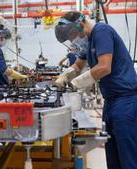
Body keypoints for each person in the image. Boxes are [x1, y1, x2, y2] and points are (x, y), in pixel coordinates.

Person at [55, 11, 137, 169]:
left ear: (81, 25)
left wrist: (75, 83)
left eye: (72, 36)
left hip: (125, 102)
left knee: (128, 158)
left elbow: (104, 67)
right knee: (113, 158)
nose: (73, 41)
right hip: (111, 102)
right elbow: (78, 65)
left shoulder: (101, 31)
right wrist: (64, 76)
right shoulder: (89, 42)